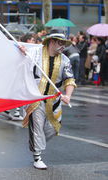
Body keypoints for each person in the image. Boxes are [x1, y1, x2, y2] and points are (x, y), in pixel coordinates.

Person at [19, 30, 76, 170]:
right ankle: (37, 156)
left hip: (54, 100)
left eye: (64, 43)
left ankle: (36, 142)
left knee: (52, 129)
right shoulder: (36, 53)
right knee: (37, 127)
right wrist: (21, 52)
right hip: (36, 98)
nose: (62, 46)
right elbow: (23, 58)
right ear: (51, 42)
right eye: (59, 42)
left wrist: (68, 96)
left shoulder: (65, 60)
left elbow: (70, 79)